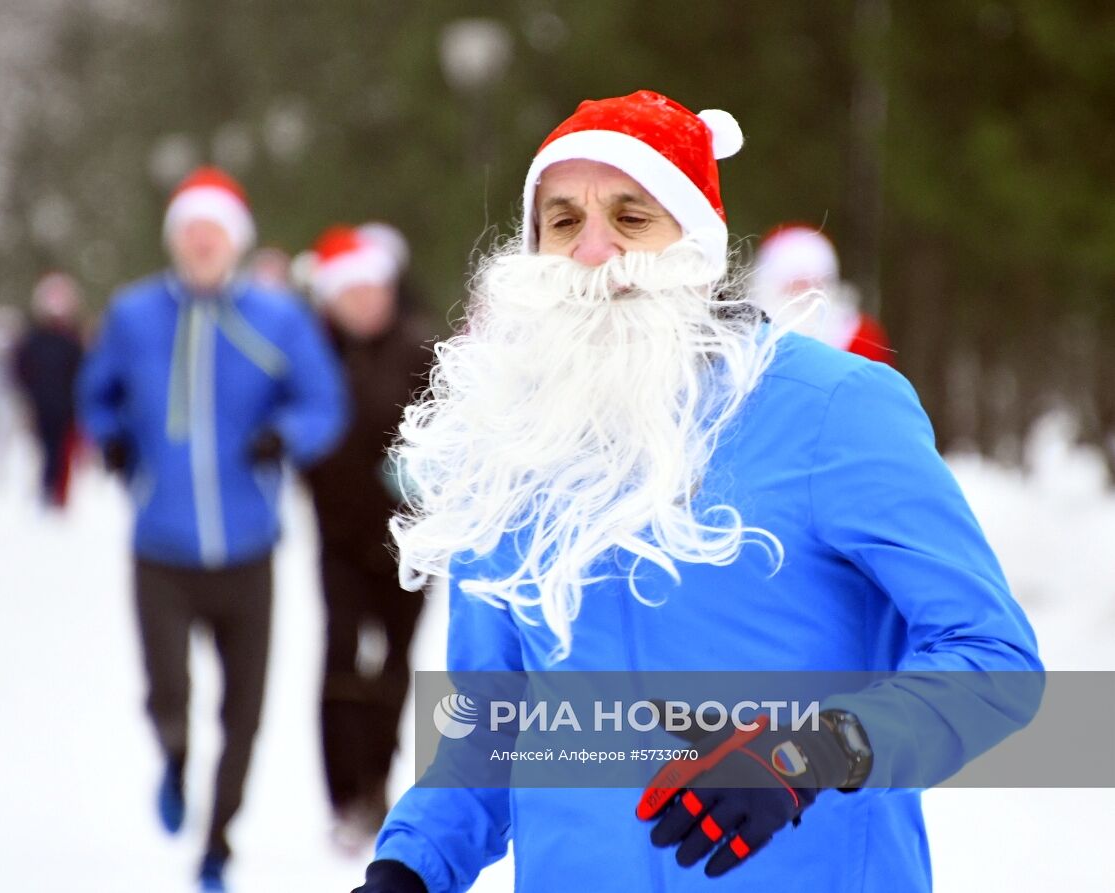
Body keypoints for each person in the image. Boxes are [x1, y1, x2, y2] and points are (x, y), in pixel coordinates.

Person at [352, 90, 1042, 892]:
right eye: (564, 221)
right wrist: (410, 865)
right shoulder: (514, 443)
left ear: (697, 241)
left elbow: (993, 660)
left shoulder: (833, 407)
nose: (593, 251)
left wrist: (806, 753)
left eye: (631, 217)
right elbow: (491, 725)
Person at [76, 166, 347, 892]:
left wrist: (283, 434)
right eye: (190, 232)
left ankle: (218, 840)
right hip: (159, 546)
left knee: (244, 709)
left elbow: (324, 401)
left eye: (215, 233)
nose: (202, 244)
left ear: (235, 241)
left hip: (247, 547)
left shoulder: (276, 317)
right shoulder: (133, 314)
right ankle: (171, 754)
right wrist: (111, 437)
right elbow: (95, 393)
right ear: (174, 241)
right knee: (168, 691)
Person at [302, 224, 434, 852]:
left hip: (412, 541)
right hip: (337, 539)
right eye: (350, 293)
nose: (364, 303)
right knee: (340, 662)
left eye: (372, 290)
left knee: (393, 670)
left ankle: (377, 786)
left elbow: (459, 429)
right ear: (330, 300)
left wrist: (423, 467)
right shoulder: (310, 355)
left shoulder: (421, 348)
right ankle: (342, 794)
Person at [752, 223, 895, 365]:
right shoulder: (746, 338)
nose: (804, 295)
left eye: (814, 284)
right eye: (794, 286)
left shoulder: (861, 338)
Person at [14, 272, 85, 507]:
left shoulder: (74, 339)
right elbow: (20, 369)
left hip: (68, 405)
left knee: (63, 451)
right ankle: (47, 490)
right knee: (47, 449)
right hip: (42, 404)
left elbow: (85, 370)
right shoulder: (33, 339)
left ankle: (59, 495)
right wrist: (29, 394)